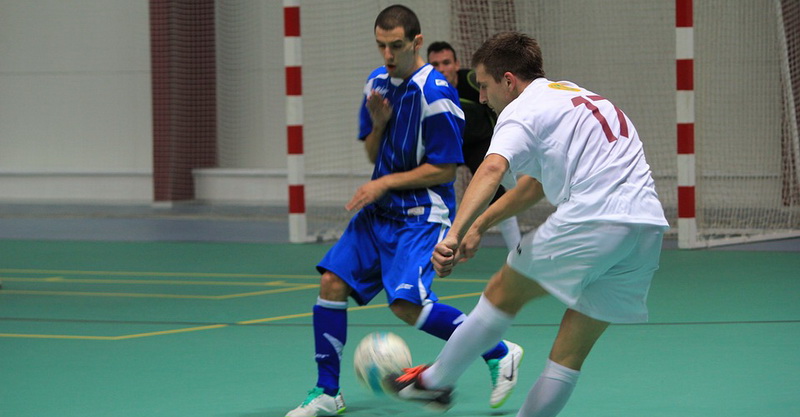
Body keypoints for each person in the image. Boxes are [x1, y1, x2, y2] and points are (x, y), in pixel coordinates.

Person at [388, 31, 670, 416]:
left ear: (508, 81)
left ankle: (433, 383)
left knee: (504, 291)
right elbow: (532, 187)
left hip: (594, 216)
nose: (483, 97)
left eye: (485, 86)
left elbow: (491, 168)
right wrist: (479, 226)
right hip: (646, 230)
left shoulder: (521, 109)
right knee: (569, 352)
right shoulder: (571, 96)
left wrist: (452, 235)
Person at [285, 7, 523, 417]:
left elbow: (445, 168)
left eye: (395, 45)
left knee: (406, 304)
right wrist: (378, 126)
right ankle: (327, 392)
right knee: (331, 286)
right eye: (380, 45)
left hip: (421, 215)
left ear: (416, 42)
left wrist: (381, 183)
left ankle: (500, 351)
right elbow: (373, 153)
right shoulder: (376, 84)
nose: (387, 54)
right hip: (379, 215)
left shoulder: (436, 94)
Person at [427, 41, 522, 251]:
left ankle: (517, 251)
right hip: (448, 147)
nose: (442, 69)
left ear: (456, 63)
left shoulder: (472, 80)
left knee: (499, 193)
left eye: (446, 62)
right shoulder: (425, 90)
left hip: (480, 143)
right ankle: (433, 247)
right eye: (435, 64)